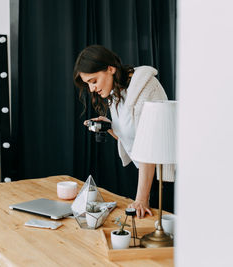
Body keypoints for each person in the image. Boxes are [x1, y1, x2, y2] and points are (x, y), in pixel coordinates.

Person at [73, 45, 174, 218]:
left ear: (110, 69)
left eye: (93, 81)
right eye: (88, 84)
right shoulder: (118, 91)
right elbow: (132, 137)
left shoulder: (144, 89)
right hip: (146, 174)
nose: (91, 89)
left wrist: (141, 199)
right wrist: (111, 127)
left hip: (165, 179)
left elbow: (149, 144)